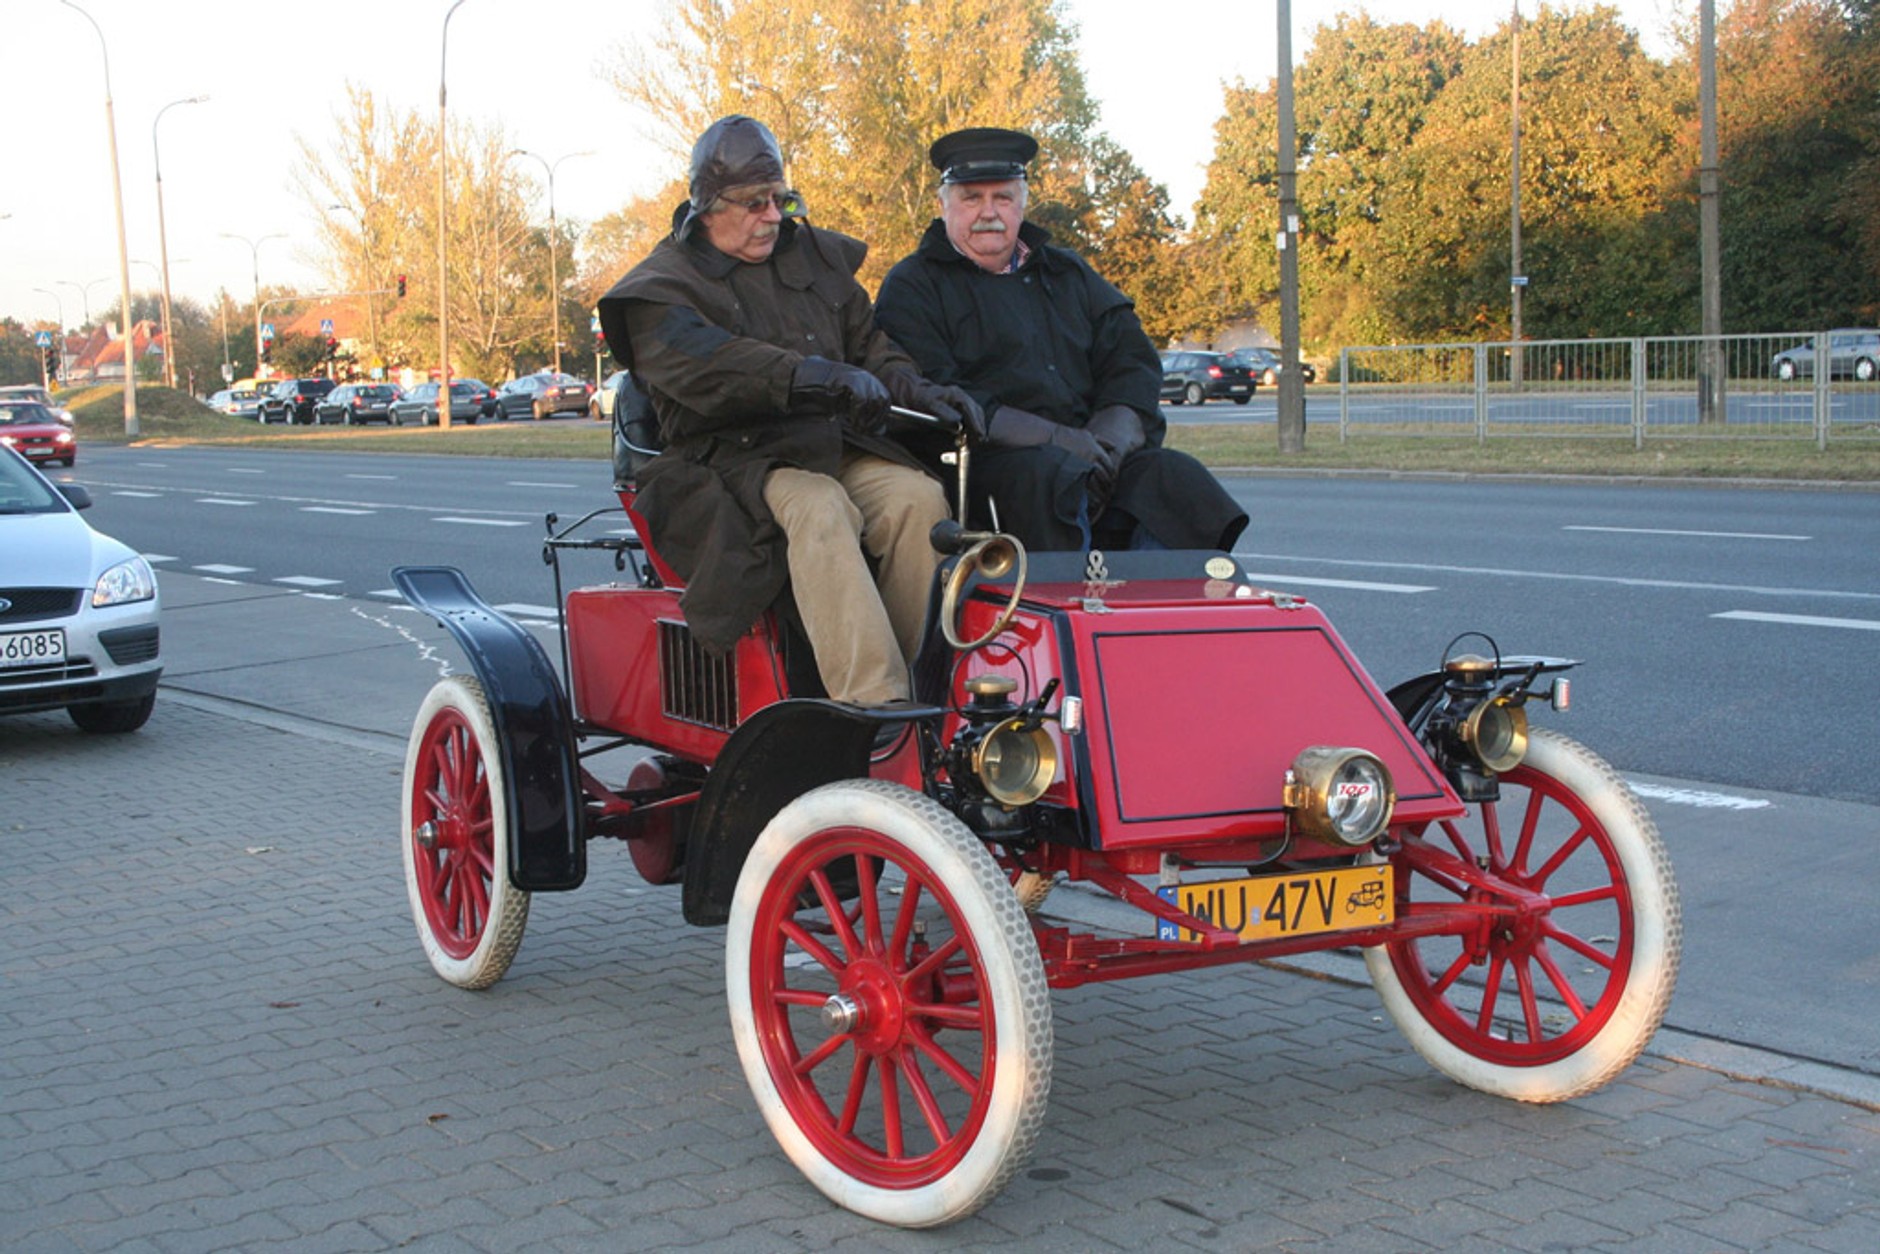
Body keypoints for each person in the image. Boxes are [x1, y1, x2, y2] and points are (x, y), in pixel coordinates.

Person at [596, 115, 981, 705]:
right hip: (729, 463)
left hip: (828, 444)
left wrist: (920, 393)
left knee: (917, 499)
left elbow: (870, 348)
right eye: (754, 203)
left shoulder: (812, 258)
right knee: (819, 507)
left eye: (780, 199)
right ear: (706, 206)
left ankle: (926, 690)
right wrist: (813, 376)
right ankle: (876, 706)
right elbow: (710, 363)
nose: (774, 216)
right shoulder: (660, 288)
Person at [875, 127, 1247, 553]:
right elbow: (935, 391)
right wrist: (1058, 441)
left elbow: (1131, 359)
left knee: (1172, 477)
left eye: (1003, 197)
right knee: (1052, 478)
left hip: (1094, 450)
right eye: (971, 198)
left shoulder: (1068, 273)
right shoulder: (914, 285)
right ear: (943, 205)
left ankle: (1162, 611)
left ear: (1022, 203)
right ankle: (1071, 613)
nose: (988, 213)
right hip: (987, 461)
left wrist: (1110, 441)